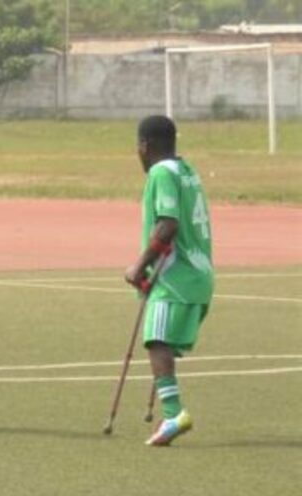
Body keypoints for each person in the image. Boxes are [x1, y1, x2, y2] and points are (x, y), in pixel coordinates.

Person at [125, 115, 214, 447]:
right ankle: (171, 414)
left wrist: (138, 266)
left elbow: (167, 225)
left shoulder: (161, 173)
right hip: (200, 275)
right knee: (162, 339)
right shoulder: (187, 171)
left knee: (156, 339)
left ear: (144, 146)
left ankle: (174, 414)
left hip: (177, 278)